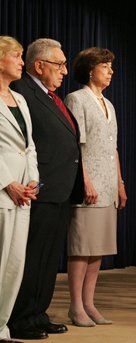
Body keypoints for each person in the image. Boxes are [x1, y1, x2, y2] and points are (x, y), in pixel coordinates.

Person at [8, 38, 84, 340]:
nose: (65, 70)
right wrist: (34, 183)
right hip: (37, 191)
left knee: (50, 259)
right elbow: (24, 147)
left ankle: (39, 313)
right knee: (32, 258)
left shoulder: (52, 97)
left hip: (61, 191)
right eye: (59, 64)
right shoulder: (21, 92)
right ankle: (21, 318)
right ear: (39, 66)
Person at [63, 47, 127, 327]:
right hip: (88, 184)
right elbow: (76, 146)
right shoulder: (76, 99)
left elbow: (113, 149)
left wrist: (120, 183)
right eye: (105, 67)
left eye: (111, 67)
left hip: (108, 185)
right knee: (81, 246)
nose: (111, 72)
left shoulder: (109, 104)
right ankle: (75, 306)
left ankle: (89, 303)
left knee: (97, 248)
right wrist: (84, 180)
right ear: (90, 69)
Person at [0, 35, 39, 342]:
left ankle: (2, 327)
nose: (22, 62)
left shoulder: (21, 99)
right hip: (3, 189)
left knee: (15, 264)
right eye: (17, 56)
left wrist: (33, 179)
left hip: (23, 192)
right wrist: (7, 182)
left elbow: (29, 147)